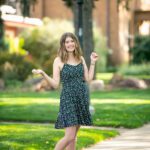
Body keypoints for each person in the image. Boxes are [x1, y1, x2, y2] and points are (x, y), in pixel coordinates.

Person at [32, 32, 98, 150]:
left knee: (74, 137)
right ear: (63, 44)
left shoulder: (80, 58)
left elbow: (88, 79)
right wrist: (43, 74)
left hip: (81, 98)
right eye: (67, 42)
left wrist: (92, 62)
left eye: (72, 41)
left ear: (76, 43)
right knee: (69, 136)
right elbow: (55, 84)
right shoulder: (58, 60)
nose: (70, 44)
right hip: (68, 100)